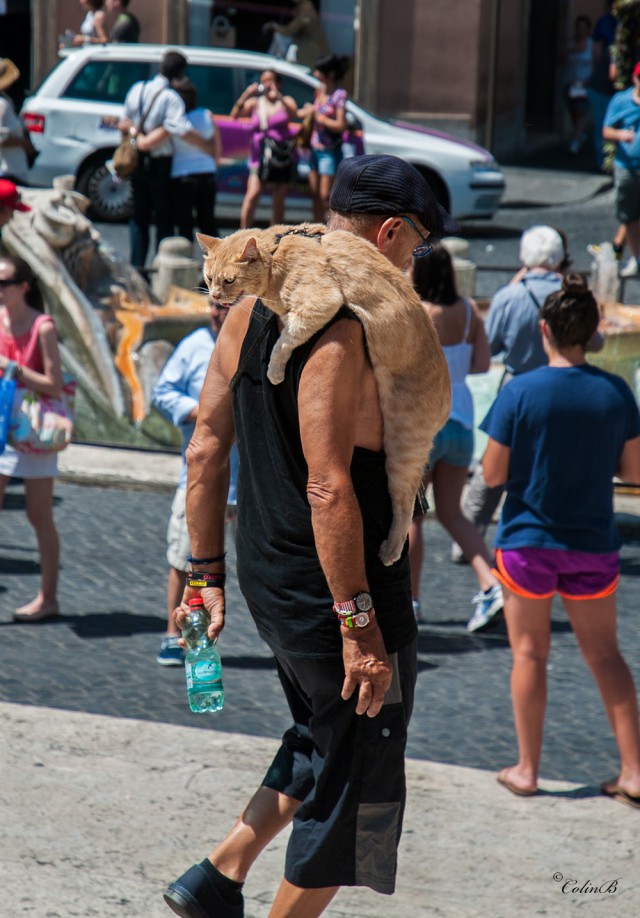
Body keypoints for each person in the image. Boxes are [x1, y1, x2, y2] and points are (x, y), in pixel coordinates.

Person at [162, 153, 457, 917]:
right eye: (416, 247)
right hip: (338, 591)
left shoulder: (250, 301)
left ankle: (218, 875)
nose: (412, 264)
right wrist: (360, 625)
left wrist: (204, 576)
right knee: (356, 784)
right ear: (390, 233)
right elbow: (328, 484)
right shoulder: (346, 327)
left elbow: (203, 447)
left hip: (268, 575)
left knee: (321, 728)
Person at [481, 273, 640, 804]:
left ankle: (527, 769)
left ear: (543, 329)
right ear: (593, 334)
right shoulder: (616, 392)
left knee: (529, 654)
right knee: (607, 656)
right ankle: (634, 772)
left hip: (528, 541)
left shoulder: (520, 391)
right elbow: (633, 470)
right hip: (593, 541)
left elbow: (492, 475)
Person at [454, 226, 567, 579]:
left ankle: (467, 540)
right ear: (559, 257)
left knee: (493, 468)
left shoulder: (510, 295)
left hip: (517, 388)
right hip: (562, 390)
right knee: (548, 468)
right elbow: (593, 342)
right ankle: (547, 540)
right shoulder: (571, 295)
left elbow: (493, 346)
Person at [407, 245, 503, 632]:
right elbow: (481, 364)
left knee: (412, 516)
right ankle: (491, 584)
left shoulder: (419, 313)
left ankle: (409, 601)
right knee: (451, 513)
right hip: (462, 419)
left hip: (425, 420)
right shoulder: (467, 311)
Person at [152, 300, 237, 666]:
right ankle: (176, 636)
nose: (219, 313)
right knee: (184, 559)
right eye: (215, 306)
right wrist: (205, 412)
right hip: (199, 481)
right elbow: (162, 393)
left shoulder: (253, 344)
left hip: (248, 483)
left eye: (227, 307)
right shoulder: (194, 344)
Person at [0, 256, 63, 623]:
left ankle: (48, 597)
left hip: (33, 430)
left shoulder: (42, 327)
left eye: (4, 282)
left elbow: (53, 384)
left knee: (38, 514)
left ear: (23, 286)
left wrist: (11, 368)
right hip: (1, 426)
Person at [119, 51, 200, 269]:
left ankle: (136, 267)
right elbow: (177, 127)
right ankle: (159, 268)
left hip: (137, 160)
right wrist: (148, 138)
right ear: (180, 73)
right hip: (159, 162)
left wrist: (135, 136)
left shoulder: (138, 88)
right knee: (163, 217)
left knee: (139, 216)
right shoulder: (171, 98)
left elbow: (123, 123)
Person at [230, 70, 298, 229]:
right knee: (253, 195)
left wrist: (278, 96)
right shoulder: (256, 102)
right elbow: (235, 115)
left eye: (271, 80)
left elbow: (295, 113)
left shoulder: (285, 101)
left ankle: (275, 236)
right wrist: (246, 94)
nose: (267, 84)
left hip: (281, 156)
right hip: (259, 156)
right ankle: (243, 232)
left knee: (279, 199)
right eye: (264, 81)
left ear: (279, 82)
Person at [299, 53, 350, 222]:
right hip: (314, 149)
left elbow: (341, 125)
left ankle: (332, 229)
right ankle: (317, 229)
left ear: (330, 73)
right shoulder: (319, 91)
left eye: (319, 71)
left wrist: (320, 118)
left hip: (329, 151)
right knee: (314, 195)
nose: (315, 74)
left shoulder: (339, 95)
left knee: (325, 196)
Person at [169, 77, 220, 242]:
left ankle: (186, 262)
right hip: (207, 172)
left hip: (182, 174)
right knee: (208, 223)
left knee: (184, 224)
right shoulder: (206, 115)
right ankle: (217, 262)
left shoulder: (175, 120)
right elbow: (217, 148)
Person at [603, 60, 640, 276]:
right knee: (629, 216)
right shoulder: (621, 101)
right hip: (627, 167)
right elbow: (606, 130)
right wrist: (621, 136)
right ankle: (631, 258)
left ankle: (619, 251)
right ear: (635, 78)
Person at [587, 1, 617, 170]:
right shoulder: (605, 24)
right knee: (602, 126)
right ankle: (603, 165)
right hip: (601, 86)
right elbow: (596, 47)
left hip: (608, 86)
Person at [263, 0, 329, 68]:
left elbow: (291, 29)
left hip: (310, 49)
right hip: (304, 48)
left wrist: (274, 27)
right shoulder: (300, 7)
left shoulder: (306, 9)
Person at [563, 15, 593, 155]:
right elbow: (561, 59)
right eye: (579, 27)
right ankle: (579, 135)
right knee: (573, 112)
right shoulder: (571, 44)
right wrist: (571, 50)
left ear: (588, 30)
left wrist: (589, 81)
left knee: (581, 111)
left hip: (584, 83)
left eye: (584, 28)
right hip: (570, 82)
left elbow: (597, 65)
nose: (581, 31)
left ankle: (575, 140)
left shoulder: (592, 45)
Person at [0, 58, 31, 185]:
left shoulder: (6, 101)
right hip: (9, 169)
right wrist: (25, 144)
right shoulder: (2, 104)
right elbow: (1, 139)